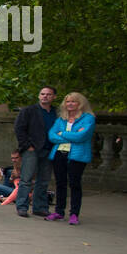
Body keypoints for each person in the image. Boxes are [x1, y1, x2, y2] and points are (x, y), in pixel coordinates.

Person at [46, 91, 95, 225]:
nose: (70, 104)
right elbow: (52, 135)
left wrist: (62, 133)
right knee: (60, 183)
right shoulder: (61, 118)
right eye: (68, 101)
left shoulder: (88, 118)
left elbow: (82, 136)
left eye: (73, 101)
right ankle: (59, 212)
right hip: (59, 153)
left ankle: (74, 214)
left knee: (74, 184)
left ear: (80, 103)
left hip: (77, 155)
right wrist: (71, 134)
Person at [13, 85, 57, 218]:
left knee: (43, 180)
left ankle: (39, 207)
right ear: (39, 96)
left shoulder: (56, 113)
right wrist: (27, 146)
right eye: (42, 94)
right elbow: (19, 128)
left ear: (54, 97)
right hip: (32, 149)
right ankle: (22, 206)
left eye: (48, 94)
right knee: (26, 179)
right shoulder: (29, 111)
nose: (45, 96)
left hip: (49, 149)